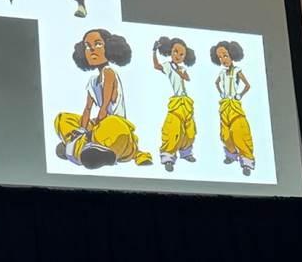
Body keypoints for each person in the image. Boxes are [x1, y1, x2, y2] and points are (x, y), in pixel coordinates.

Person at [54, 28, 153, 169]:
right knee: (62, 118)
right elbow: (87, 109)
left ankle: (77, 148)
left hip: (114, 126)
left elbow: (104, 108)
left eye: (98, 44)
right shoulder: (92, 81)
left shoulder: (109, 72)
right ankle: (86, 148)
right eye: (87, 46)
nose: (92, 50)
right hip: (96, 128)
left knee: (112, 124)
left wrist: (91, 131)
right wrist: (82, 129)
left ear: (109, 48)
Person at [152, 36, 197, 172]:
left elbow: (187, 78)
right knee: (173, 128)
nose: (178, 56)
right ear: (170, 51)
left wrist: (181, 72)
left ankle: (186, 153)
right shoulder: (168, 65)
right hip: (176, 101)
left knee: (190, 130)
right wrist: (154, 51)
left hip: (186, 102)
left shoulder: (182, 68)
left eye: (181, 54)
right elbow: (156, 66)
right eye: (175, 52)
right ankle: (168, 158)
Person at [211, 40, 255, 176]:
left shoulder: (237, 70)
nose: (223, 60)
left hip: (234, 105)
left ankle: (247, 162)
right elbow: (216, 83)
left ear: (232, 54)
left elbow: (247, 85)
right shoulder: (221, 72)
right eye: (220, 57)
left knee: (239, 131)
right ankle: (231, 155)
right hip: (224, 105)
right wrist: (221, 93)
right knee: (225, 134)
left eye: (225, 55)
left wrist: (239, 95)